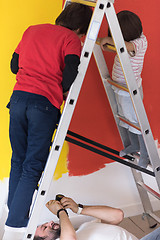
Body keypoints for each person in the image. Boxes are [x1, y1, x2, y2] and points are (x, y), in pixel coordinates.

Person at [3, 3, 92, 239]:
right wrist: (59, 91)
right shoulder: (71, 39)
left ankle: (12, 213)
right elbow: (71, 71)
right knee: (32, 166)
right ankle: (14, 228)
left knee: (18, 160)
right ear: (82, 27)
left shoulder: (32, 30)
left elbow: (14, 65)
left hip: (18, 99)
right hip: (43, 105)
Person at [99, 10, 149, 168]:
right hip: (120, 88)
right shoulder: (125, 43)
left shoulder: (140, 42)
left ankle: (146, 154)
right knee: (124, 119)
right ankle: (134, 145)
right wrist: (102, 41)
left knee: (135, 121)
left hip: (130, 91)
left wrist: (109, 39)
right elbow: (111, 47)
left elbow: (125, 45)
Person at [34, 196, 139, 240]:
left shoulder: (85, 227)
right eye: (44, 227)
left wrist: (79, 209)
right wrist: (60, 212)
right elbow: (70, 238)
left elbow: (117, 215)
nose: (50, 222)